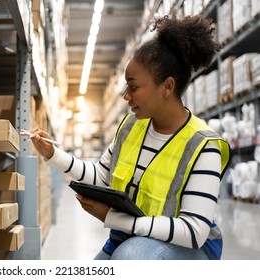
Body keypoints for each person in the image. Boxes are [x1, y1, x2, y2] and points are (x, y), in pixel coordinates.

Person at [27, 14, 231, 260]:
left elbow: (193, 230)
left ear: (167, 87)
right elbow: (101, 175)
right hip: (135, 236)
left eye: (133, 87)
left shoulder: (203, 146)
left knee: (129, 258)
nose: (126, 96)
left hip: (189, 249)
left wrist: (115, 219)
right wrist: (53, 154)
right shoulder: (131, 127)